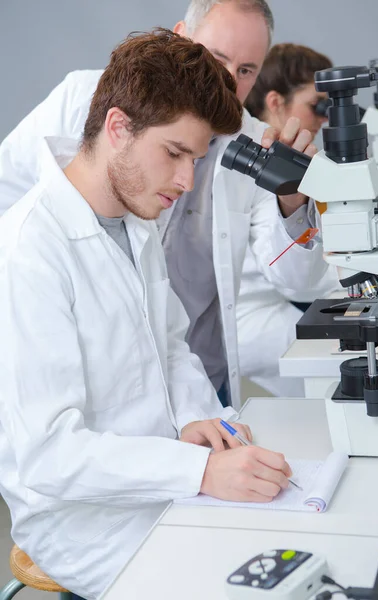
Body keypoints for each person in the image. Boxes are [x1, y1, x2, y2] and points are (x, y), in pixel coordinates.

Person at [0, 30, 293, 600]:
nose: (186, 182)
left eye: (196, 159)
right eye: (174, 154)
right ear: (117, 128)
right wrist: (200, 472)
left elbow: (172, 344)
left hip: (162, 480)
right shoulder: (26, 252)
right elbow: (48, 455)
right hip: (87, 523)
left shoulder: (136, 224)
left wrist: (191, 418)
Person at [0, 0, 337, 412]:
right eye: (217, 58)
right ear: (181, 38)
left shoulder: (260, 142)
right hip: (102, 381)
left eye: (247, 70)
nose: (228, 81)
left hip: (195, 373)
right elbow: (9, 191)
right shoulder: (88, 98)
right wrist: (30, 297)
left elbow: (297, 282)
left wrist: (292, 194)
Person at [237, 43, 340, 397]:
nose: (325, 118)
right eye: (317, 106)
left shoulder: (298, 156)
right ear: (276, 103)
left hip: (285, 297)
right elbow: (292, 276)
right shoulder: (261, 161)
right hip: (252, 315)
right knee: (341, 359)